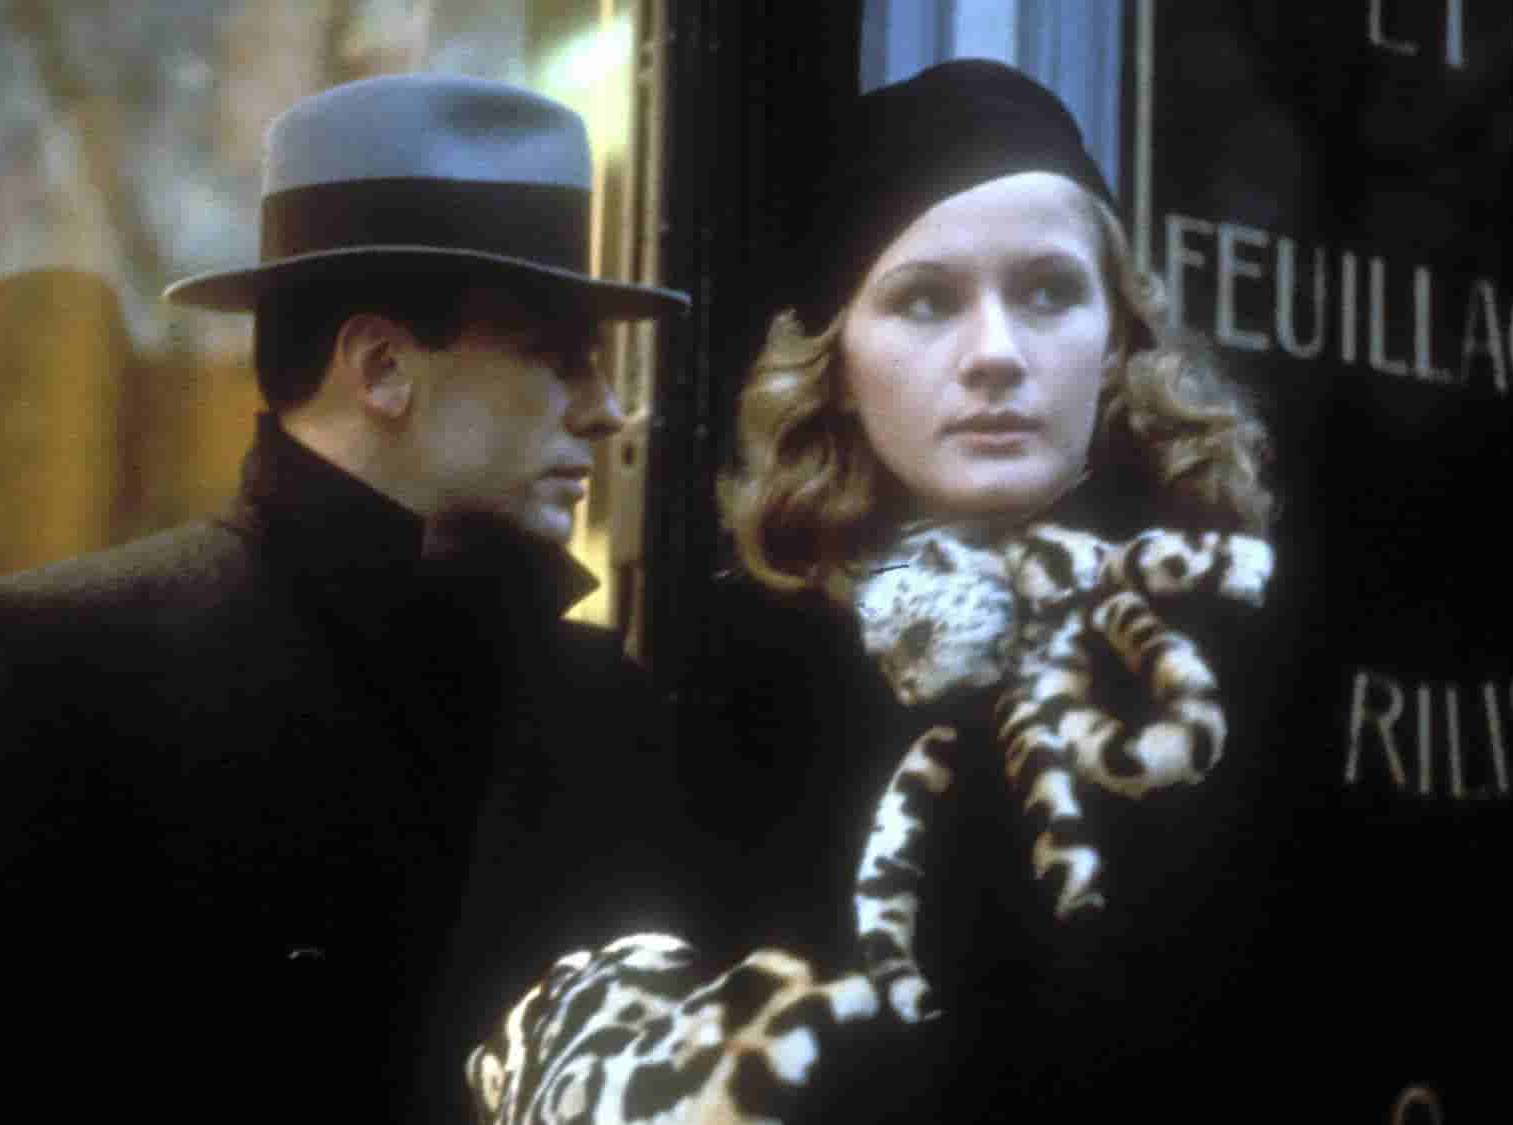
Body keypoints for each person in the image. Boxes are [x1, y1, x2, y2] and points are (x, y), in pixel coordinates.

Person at [0, 73, 694, 1123]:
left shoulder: (598, 705)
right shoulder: (65, 669)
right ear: (381, 368)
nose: (606, 410)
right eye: (557, 358)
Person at [467, 59, 1294, 1124]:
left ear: (1115, 342)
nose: (995, 355)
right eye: (925, 301)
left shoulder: (1238, 663)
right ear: (837, 369)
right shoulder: (726, 712)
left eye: (1048, 292)